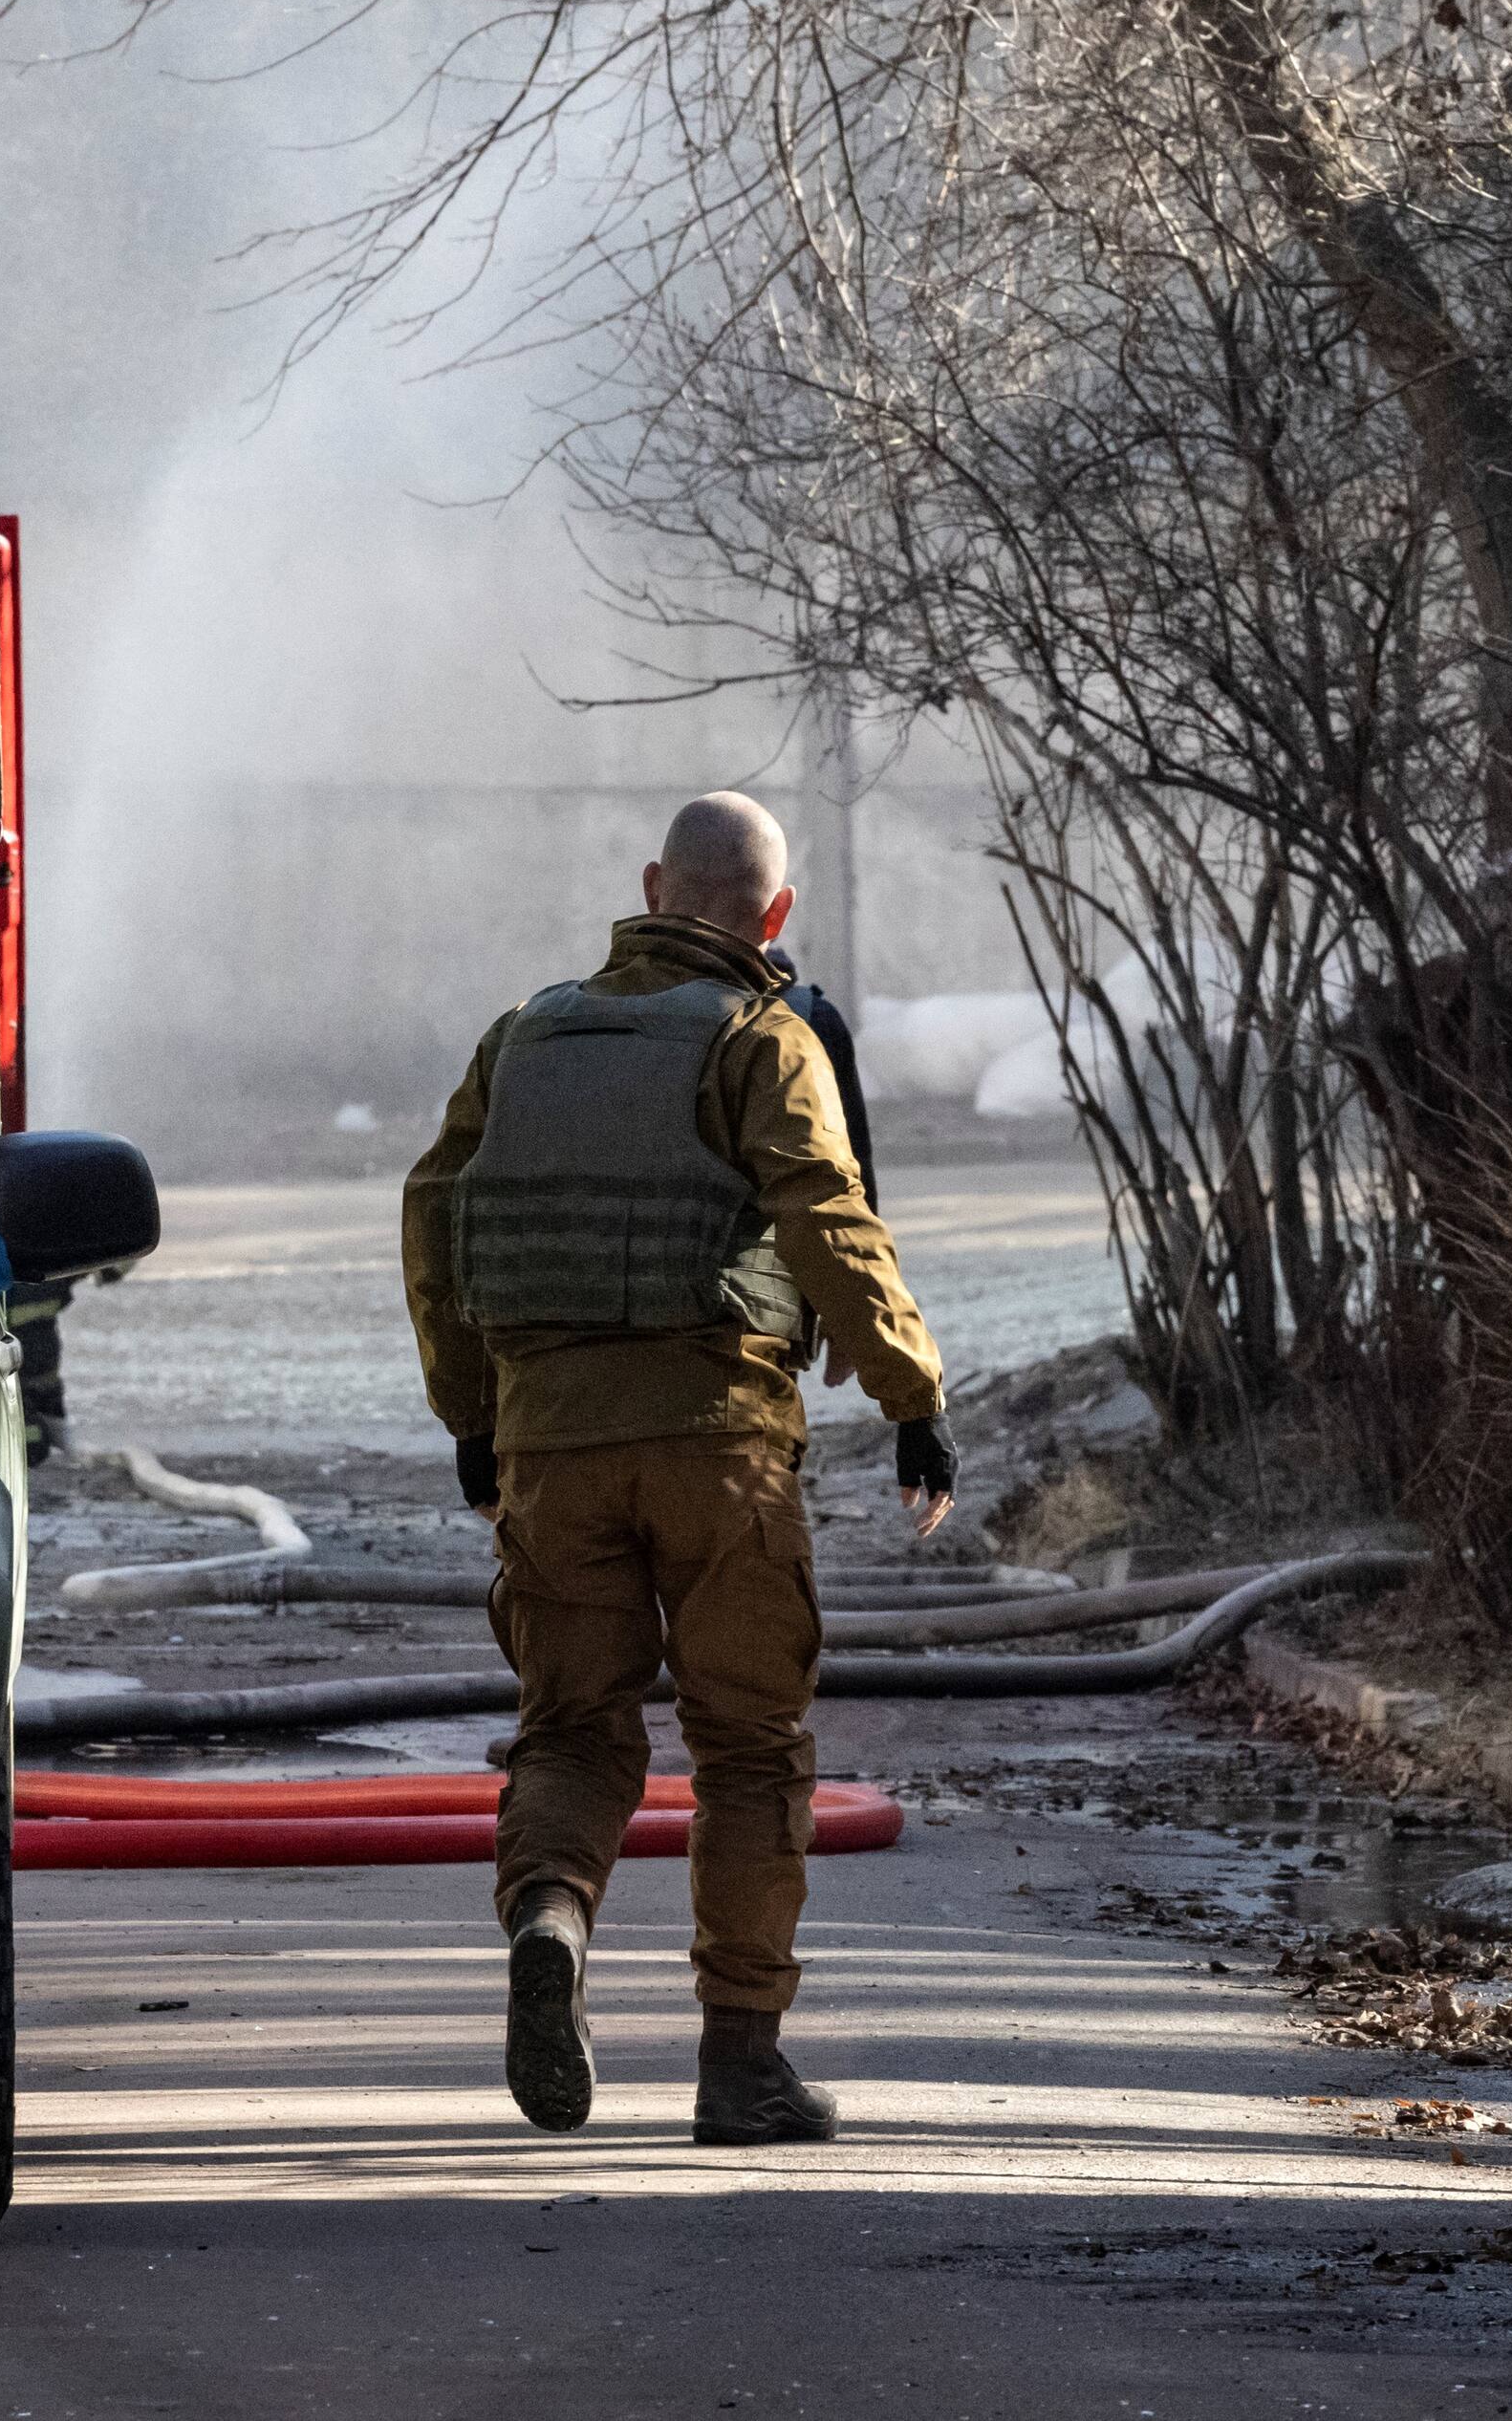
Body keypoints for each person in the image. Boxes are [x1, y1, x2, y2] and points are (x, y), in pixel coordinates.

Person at [401, 790, 953, 2148]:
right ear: (774, 915)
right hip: (721, 1446)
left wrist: (473, 1412)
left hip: (550, 1449)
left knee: (572, 1731)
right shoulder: (764, 1037)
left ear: (653, 885)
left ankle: (550, 1917)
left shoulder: (519, 1038)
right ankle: (740, 2062)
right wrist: (913, 1395)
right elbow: (827, 1211)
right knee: (751, 1750)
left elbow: (434, 1217)